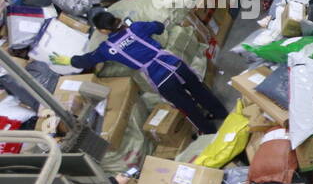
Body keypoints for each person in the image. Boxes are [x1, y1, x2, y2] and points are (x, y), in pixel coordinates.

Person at [51, 12, 227, 135]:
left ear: (103, 31)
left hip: (162, 79)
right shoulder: (136, 28)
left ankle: (209, 131)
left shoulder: (108, 49)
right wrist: (140, 27)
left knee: (187, 106)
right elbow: (159, 27)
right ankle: (220, 112)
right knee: (199, 90)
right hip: (175, 65)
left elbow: (87, 60)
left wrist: (69, 61)